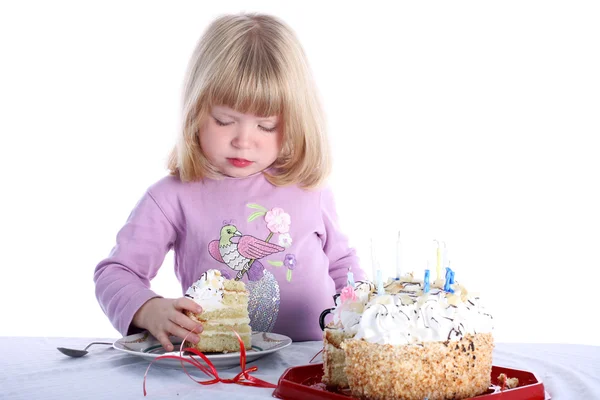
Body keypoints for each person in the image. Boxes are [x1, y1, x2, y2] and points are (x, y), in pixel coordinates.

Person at [94, 13, 366, 352]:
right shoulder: (172, 197)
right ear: (195, 112)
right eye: (224, 120)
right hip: (216, 368)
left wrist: (362, 317)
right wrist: (148, 309)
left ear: (296, 122)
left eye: (265, 126)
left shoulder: (310, 189)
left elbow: (343, 268)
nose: (243, 140)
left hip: (313, 362)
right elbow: (115, 273)